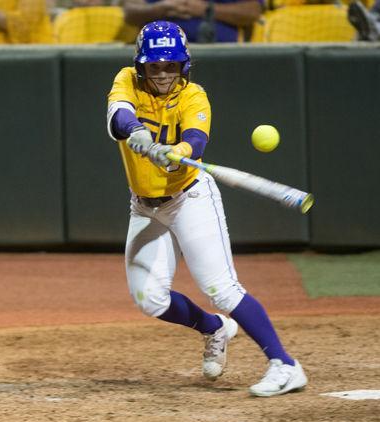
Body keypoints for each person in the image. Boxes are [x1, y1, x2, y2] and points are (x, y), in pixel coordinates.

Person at [106, 21, 307, 397]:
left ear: (184, 65)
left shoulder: (194, 96)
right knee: (150, 299)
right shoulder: (126, 81)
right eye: (154, 66)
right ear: (141, 66)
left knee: (222, 289)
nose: (163, 73)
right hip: (144, 207)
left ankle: (285, 365)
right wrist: (137, 132)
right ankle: (213, 328)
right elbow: (118, 115)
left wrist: (175, 153)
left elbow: (195, 142)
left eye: (171, 65)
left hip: (189, 198)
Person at [121, 0, 261, 42]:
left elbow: (252, 12)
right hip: (158, 55)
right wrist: (158, 9)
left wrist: (205, 9)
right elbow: (130, 12)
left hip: (215, 53)